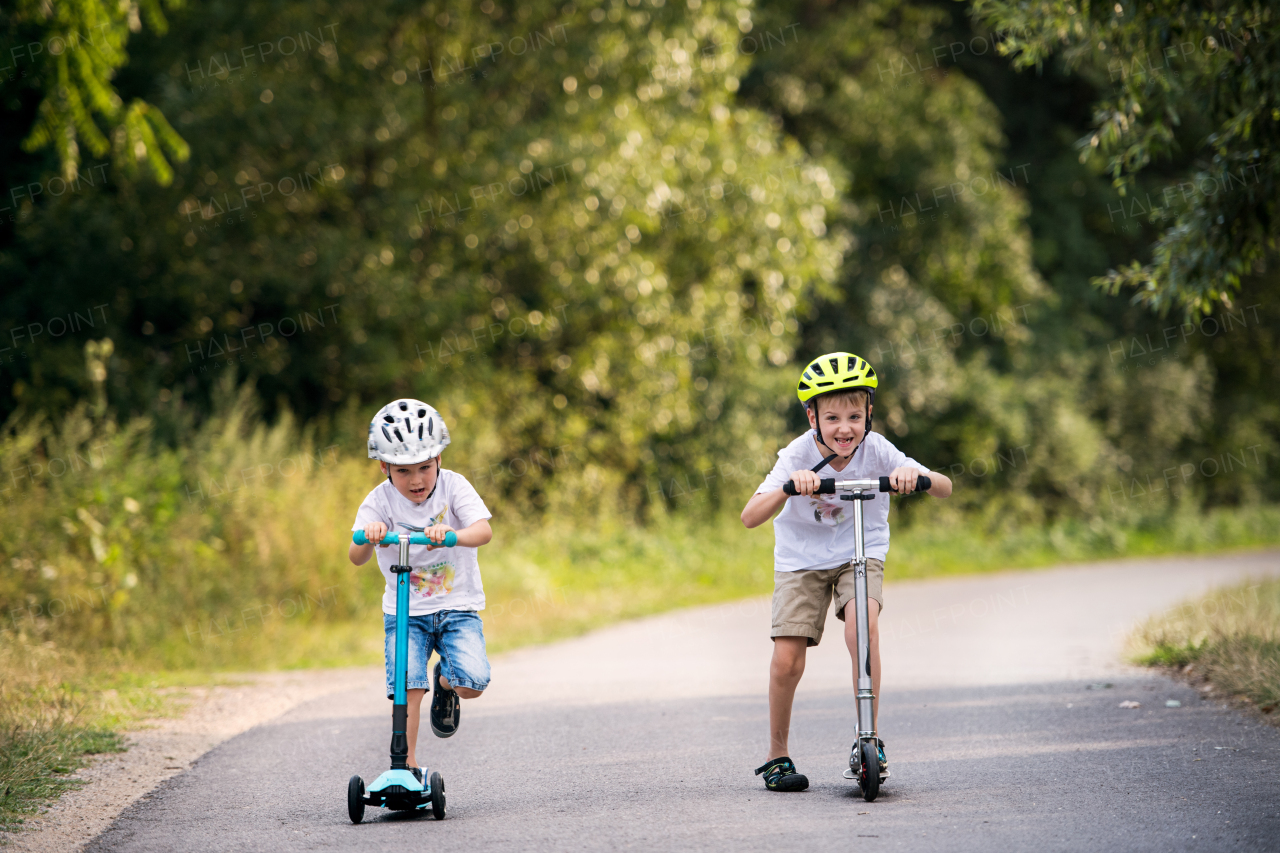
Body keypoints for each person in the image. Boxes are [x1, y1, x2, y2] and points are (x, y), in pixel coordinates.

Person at [740, 352, 952, 791]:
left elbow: (944, 487)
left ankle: (868, 739)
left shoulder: (876, 450)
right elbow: (749, 516)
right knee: (787, 659)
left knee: (863, 631)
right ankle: (776, 755)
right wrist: (787, 486)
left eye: (855, 416)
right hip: (801, 561)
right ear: (811, 416)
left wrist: (916, 475)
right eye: (832, 416)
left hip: (860, 551)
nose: (844, 428)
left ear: (869, 414)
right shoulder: (796, 453)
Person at [349, 398, 494, 783]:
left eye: (425, 468)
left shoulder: (454, 486)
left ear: (439, 459)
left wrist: (453, 535)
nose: (416, 480)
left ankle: (445, 682)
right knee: (406, 685)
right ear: (384, 468)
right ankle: (406, 767)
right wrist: (370, 535)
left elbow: (483, 531)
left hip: (457, 607)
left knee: (472, 683)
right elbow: (355, 555)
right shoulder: (379, 500)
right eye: (403, 471)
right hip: (405, 612)